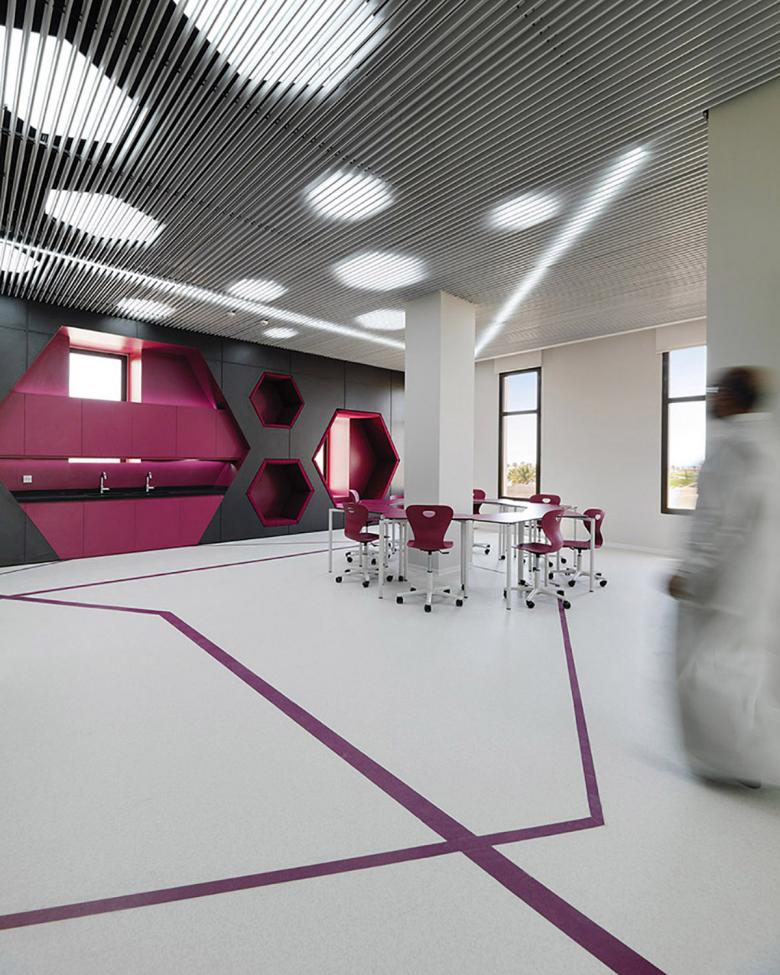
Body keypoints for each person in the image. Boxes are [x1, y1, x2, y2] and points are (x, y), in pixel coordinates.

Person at [668, 366, 780, 786]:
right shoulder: (766, 444)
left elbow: (721, 524)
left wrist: (690, 572)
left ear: (731, 397)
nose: (711, 398)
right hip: (757, 583)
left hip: (725, 585)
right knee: (746, 669)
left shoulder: (732, 449)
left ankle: (748, 762)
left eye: (716, 391)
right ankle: (748, 760)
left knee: (709, 673)